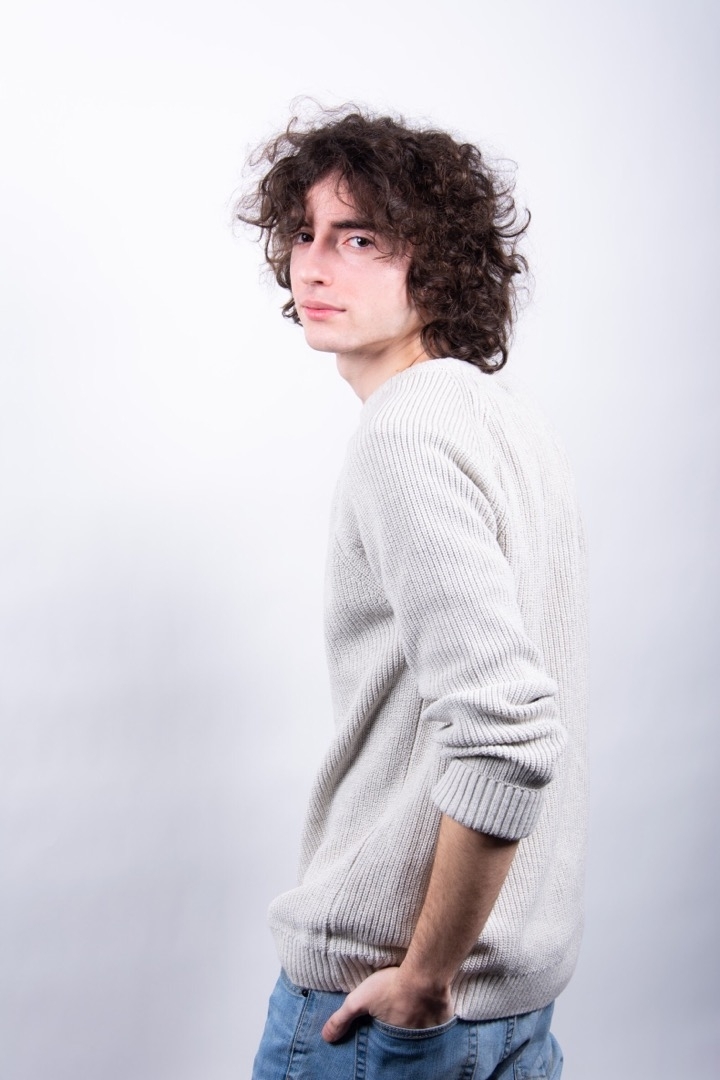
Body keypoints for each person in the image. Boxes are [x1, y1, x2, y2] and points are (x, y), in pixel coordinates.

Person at [237, 105, 587, 1080]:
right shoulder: (506, 422)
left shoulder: (405, 434)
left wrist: (425, 979)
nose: (314, 267)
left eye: (359, 239)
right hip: (514, 1005)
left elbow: (508, 735)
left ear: (436, 263)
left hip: (390, 1007)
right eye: (304, 234)